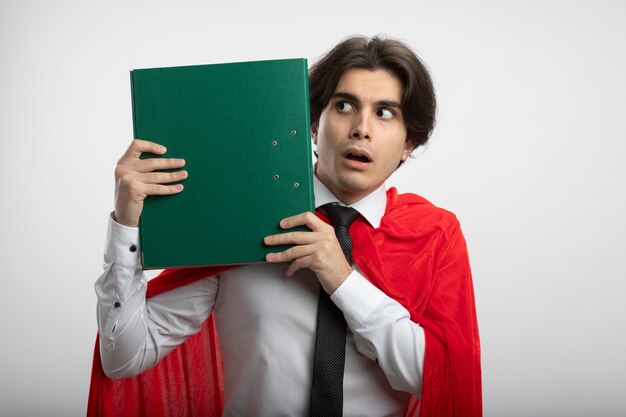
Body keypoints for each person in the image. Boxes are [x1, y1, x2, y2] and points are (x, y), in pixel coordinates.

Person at [88, 35, 481, 417]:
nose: (362, 128)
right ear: (313, 123)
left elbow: (438, 380)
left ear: (409, 142)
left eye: (384, 112)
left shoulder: (433, 237)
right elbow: (124, 357)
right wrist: (126, 224)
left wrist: (341, 278)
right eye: (344, 106)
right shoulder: (244, 216)